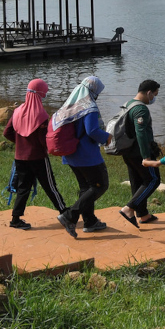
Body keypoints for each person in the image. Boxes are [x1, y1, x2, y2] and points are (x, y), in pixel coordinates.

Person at [2, 78, 67, 229]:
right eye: (44, 94)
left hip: (20, 157)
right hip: (38, 158)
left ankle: (16, 219)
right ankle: (64, 211)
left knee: (23, 188)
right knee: (50, 186)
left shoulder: (17, 112)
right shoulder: (41, 115)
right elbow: (43, 140)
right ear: (40, 94)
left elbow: (7, 132)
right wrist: (52, 149)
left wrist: (20, 143)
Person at [53, 76, 112, 238]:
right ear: (94, 91)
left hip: (71, 155)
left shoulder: (70, 105)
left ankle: (90, 221)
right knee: (100, 185)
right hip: (87, 155)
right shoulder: (89, 107)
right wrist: (106, 137)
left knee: (86, 188)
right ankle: (70, 216)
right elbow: (92, 130)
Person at [118, 80, 162, 228]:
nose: (154, 98)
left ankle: (143, 214)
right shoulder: (141, 109)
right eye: (154, 94)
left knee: (137, 181)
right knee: (153, 180)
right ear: (148, 92)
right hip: (139, 153)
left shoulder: (128, 104)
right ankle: (129, 209)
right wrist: (147, 157)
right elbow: (141, 133)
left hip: (128, 151)